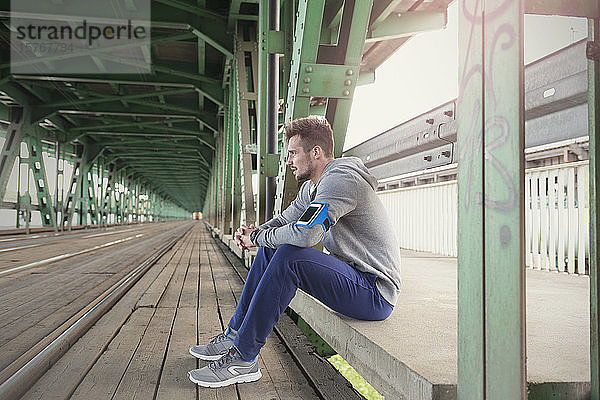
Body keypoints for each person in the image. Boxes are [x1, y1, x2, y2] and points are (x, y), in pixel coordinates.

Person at [188, 115, 402, 388]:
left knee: (290, 256)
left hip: (375, 293)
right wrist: (255, 236)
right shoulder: (312, 186)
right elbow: (285, 221)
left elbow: (308, 234)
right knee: (271, 248)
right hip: (352, 279)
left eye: (292, 153)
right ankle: (235, 335)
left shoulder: (340, 181)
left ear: (316, 152)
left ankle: (243, 360)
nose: (288, 161)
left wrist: (258, 237)